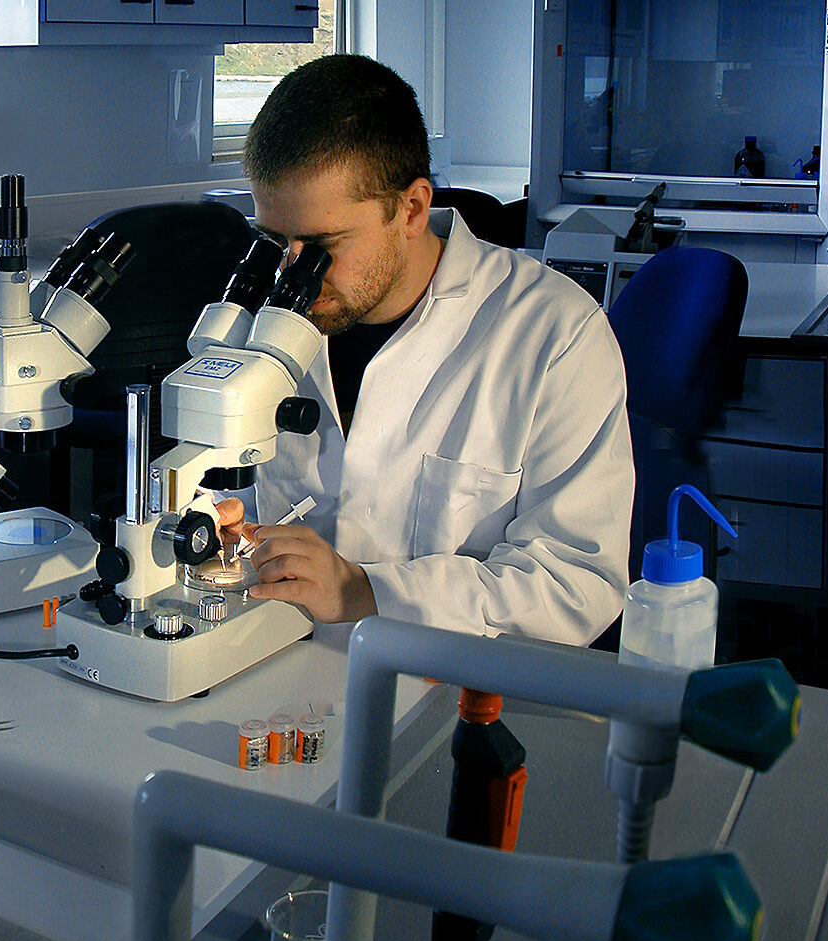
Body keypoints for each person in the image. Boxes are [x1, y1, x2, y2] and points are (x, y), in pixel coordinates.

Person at [232, 54, 632, 646]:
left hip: (454, 698)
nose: (294, 274)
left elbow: (577, 583)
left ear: (412, 208)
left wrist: (363, 591)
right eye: (273, 241)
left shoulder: (553, 334)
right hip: (281, 670)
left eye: (320, 246)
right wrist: (225, 519)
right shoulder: (263, 316)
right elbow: (251, 487)